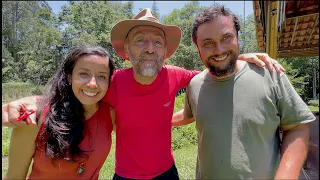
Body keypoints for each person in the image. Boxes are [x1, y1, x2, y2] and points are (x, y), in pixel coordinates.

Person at [2, 8, 285, 180]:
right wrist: (33, 102)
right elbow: (77, 93)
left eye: (157, 42)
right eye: (140, 41)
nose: (149, 48)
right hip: (125, 176)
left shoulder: (177, 75)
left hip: (167, 173)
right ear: (127, 51)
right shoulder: (109, 82)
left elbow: (215, 67)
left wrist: (241, 57)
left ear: (165, 50)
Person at [172, 4, 316, 179]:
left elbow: (297, 126)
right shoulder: (195, 84)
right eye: (208, 43)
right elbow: (189, 114)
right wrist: (155, 119)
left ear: (237, 38)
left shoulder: (269, 74)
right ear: (198, 49)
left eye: (226, 38)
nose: (219, 50)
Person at [2, 46, 115, 179]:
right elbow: (14, 176)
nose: (92, 84)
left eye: (102, 76)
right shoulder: (35, 117)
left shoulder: (110, 114)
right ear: (69, 76)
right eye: (83, 74)